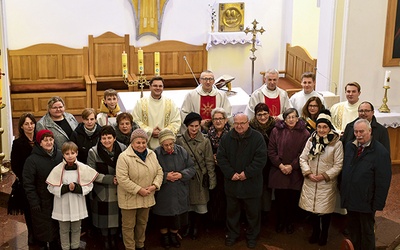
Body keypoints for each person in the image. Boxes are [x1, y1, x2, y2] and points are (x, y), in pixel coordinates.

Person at [216, 113, 267, 249]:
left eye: (242, 123)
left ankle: (252, 237)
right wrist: (231, 173)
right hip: (232, 183)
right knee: (232, 213)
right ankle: (232, 235)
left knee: (253, 214)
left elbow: (260, 159)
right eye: (236, 123)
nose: (239, 126)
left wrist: (246, 174)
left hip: (251, 184)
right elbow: (221, 158)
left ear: (248, 122)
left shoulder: (257, 138)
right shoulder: (227, 138)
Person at [340, 119, 391, 250]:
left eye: (361, 131)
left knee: (367, 233)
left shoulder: (380, 153)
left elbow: (383, 181)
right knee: (353, 230)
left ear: (370, 131)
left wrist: (377, 204)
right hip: (351, 198)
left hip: (366, 202)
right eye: (356, 131)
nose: (358, 134)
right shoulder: (350, 146)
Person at [299, 110, 343, 246]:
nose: (322, 130)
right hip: (311, 180)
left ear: (330, 128)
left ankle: (324, 234)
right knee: (312, 210)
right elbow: (303, 158)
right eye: (319, 127)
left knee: (325, 211)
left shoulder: (336, 143)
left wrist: (324, 176)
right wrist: (308, 173)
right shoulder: (311, 140)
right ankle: (315, 232)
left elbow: (338, 164)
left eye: (325, 127)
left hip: (326, 182)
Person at [116, 129, 163, 250]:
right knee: (128, 226)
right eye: (138, 142)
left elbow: (159, 172)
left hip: (147, 195)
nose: (141, 145)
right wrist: (139, 190)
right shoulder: (124, 157)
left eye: (143, 142)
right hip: (129, 198)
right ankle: (130, 247)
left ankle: (140, 245)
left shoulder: (151, 154)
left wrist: (154, 186)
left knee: (142, 223)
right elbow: (122, 179)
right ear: (132, 143)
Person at [46, 141, 98, 250]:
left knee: (76, 228)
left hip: (77, 202)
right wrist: (65, 188)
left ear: (77, 153)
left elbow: (89, 185)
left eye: (72, 153)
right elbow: (50, 187)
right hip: (62, 203)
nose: (70, 156)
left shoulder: (83, 168)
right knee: (64, 229)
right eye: (67, 153)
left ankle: (75, 246)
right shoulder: (57, 169)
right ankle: (65, 247)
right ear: (63, 155)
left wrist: (78, 188)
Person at [268, 108, 309, 234]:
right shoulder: (276, 131)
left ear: (298, 118)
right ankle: (280, 221)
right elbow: (271, 150)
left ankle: (290, 222)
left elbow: (304, 153)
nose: (291, 120)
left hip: (294, 172)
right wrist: (281, 165)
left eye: (293, 117)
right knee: (280, 200)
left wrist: (292, 166)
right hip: (279, 170)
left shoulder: (305, 133)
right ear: (284, 119)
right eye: (288, 117)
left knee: (292, 200)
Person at [176, 112, 216, 240]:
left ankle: (196, 227)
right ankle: (188, 226)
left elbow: (209, 161)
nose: (194, 129)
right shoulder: (180, 140)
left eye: (196, 126)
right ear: (187, 126)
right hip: (186, 177)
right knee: (188, 205)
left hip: (200, 177)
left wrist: (211, 179)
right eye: (191, 126)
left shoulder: (205, 141)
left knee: (200, 204)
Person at [153, 128, 196, 249]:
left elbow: (192, 168)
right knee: (163, 217)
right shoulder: (155, 154)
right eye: (166, 145)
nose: (169, 147)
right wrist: (166, 176)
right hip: (163, 193)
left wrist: (182, 174)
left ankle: (173, 235)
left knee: (177, 217)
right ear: (161, 144)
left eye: (171, 144)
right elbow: (151, 173)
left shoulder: (182, 151)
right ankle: (165, 237)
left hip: (179, 190)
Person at [87, 125, 127, 249]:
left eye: (109, 138)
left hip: (119, 188)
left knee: (116, 217)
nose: (106, 141)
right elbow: (91, 173)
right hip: (101, 190)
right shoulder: (93, 152)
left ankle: (114, 238)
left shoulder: (123, 148)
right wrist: (110, 179)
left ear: (114, 138)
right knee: (103, 219)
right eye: (103, 138)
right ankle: (105, 239)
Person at [23, 129, 63, 250]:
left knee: (57, 227)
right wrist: (34, 202)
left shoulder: (60, 155)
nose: (49, 142)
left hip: (58, 198)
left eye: (51, 139)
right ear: (39, 143)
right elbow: (28, 184)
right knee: (44, 228)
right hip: (42, 200)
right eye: (45, 140)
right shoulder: (32, 160)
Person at [132, 76, 181, 150]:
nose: (158, 88)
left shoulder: (170, 103)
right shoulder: (141, 103)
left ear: (163, 88)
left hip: (166, 144)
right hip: (145, 145)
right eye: (155, 86)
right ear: (150, 87)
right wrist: (150, 131)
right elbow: (135, 120)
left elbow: (176, 121)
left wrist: (163, 133)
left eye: (160, 86)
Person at [10, 113, 37, 245]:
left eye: (31, 123)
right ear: (21, 126)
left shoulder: (40, 140)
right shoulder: (17, 143)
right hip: (27, 183)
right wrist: (27, 179)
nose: (30, 126)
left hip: (41, 181)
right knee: (29, 209)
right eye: (26, 124)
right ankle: (31, 233)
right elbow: (15, 165)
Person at [249, 103, 275, 222]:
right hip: (255, 162)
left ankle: (266, 212)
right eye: (259, 115)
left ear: (269, 114)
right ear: (255, 115)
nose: (263, 117)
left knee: (267, 188)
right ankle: (255, 213)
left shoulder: (274, 126)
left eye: (265, 114)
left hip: (271, 162)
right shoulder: (251, 127)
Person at [206, 107, 230, 225]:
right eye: (215, 119)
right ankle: (213, 220)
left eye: (221, 118)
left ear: (226, 120)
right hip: (212, 169)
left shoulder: (231, 133)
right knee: (214, 194)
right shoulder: (208, 134)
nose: (218, 121)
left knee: (225, 195)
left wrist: (221, 158)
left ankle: (225, 221)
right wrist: (212, 157)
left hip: (226, 169)